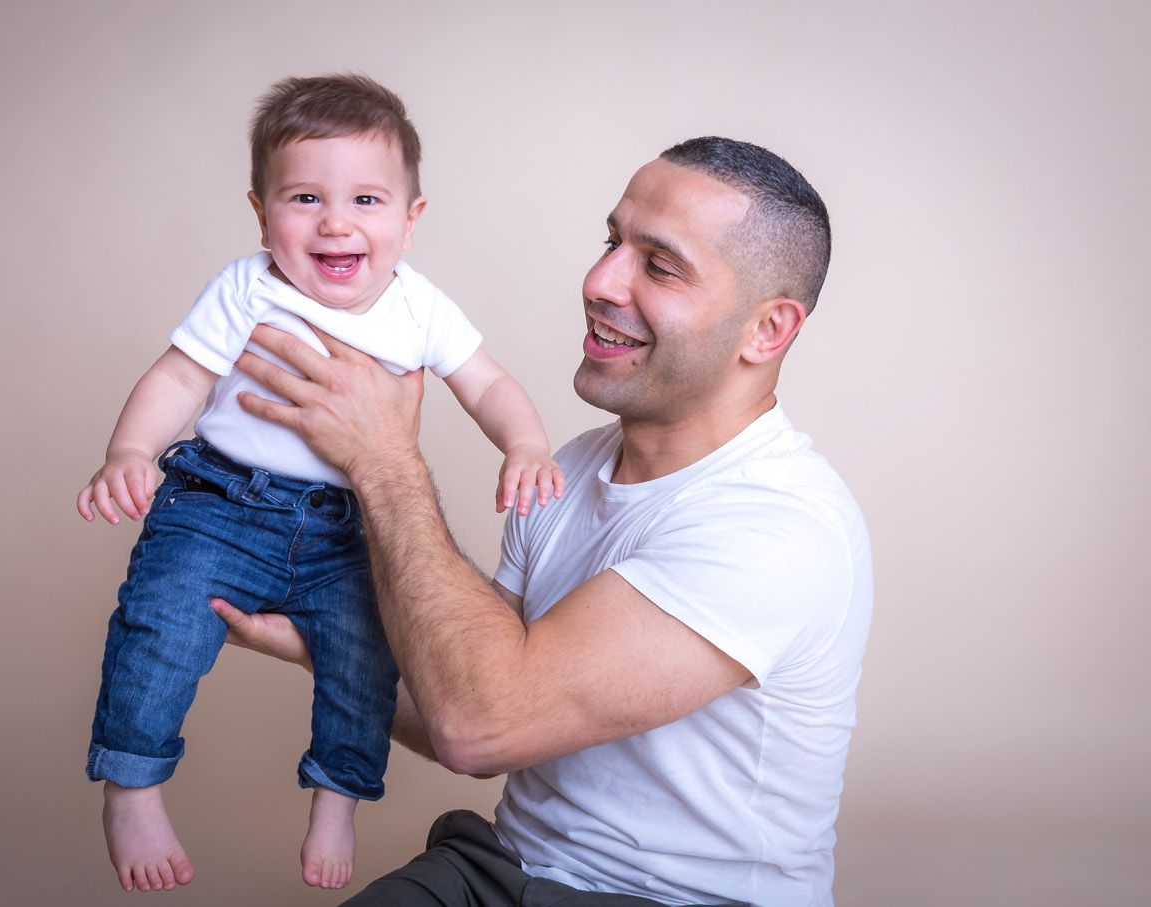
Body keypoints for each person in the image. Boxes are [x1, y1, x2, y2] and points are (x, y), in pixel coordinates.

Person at [212, 136, 874, 906]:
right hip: (511, 871)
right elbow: (463, 705)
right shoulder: (574, 466)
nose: (599, 282)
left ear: (767, 330)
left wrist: (383, 460)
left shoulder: (779, 526)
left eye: (658, 266)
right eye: (611, 241)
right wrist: (318, 640)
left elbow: (481, 724)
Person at [76, 74, 563, 895]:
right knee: (158, 627)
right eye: (304, 197)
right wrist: (129, 449)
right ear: (262, 213)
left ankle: (337, 797)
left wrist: (525, 441)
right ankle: (132, 786)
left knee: (364, 663)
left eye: (367, 199)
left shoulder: (419, 307)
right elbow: (178, 379)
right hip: (221, 504)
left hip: (349, 530)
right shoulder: (245, 288)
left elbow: (487, 383)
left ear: (411, 221)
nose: (336, 221)